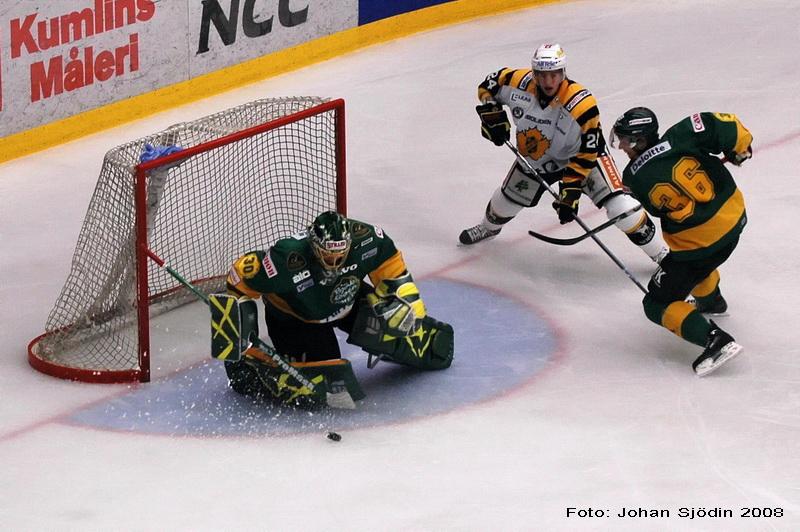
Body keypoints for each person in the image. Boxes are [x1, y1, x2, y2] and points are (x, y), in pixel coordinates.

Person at [460, 43, 668, 263]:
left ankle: (661, 255)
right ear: (534, 73)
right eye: (542, 75)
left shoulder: (582, 104)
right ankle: (488, 228)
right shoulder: (516, 82)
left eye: (554, 75)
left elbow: (589, 149)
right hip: (536, 158)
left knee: (623, 208)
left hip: (583, 158)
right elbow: (488, 86)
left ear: (563, 72)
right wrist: (492, 113)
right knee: (504, 203)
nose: (548, 82)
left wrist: (570, 190)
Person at [222, 210, 454, 406]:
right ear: (313, 245)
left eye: (339, 254)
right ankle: (251, 371)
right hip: (296, 318)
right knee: (330, 389)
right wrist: (240, 329)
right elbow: (239, 278)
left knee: (412, 332)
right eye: (327, 254)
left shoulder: (366, 238)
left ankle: (396, 341)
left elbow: (390, 264)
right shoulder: (286, 258)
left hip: (347, 301)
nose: (333, 261)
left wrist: (409, 304)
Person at [610, 107, 752, 376]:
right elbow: (728, 126)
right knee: (689, 265)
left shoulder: (632, 177)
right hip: (734, 218)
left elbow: (654, 206)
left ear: (640, 140)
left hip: (700, 245)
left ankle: (716, 341)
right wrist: (739, 149)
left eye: (626, 141)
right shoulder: (682, 134)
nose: (623, 148)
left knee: (655, 303)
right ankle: (711, 301)